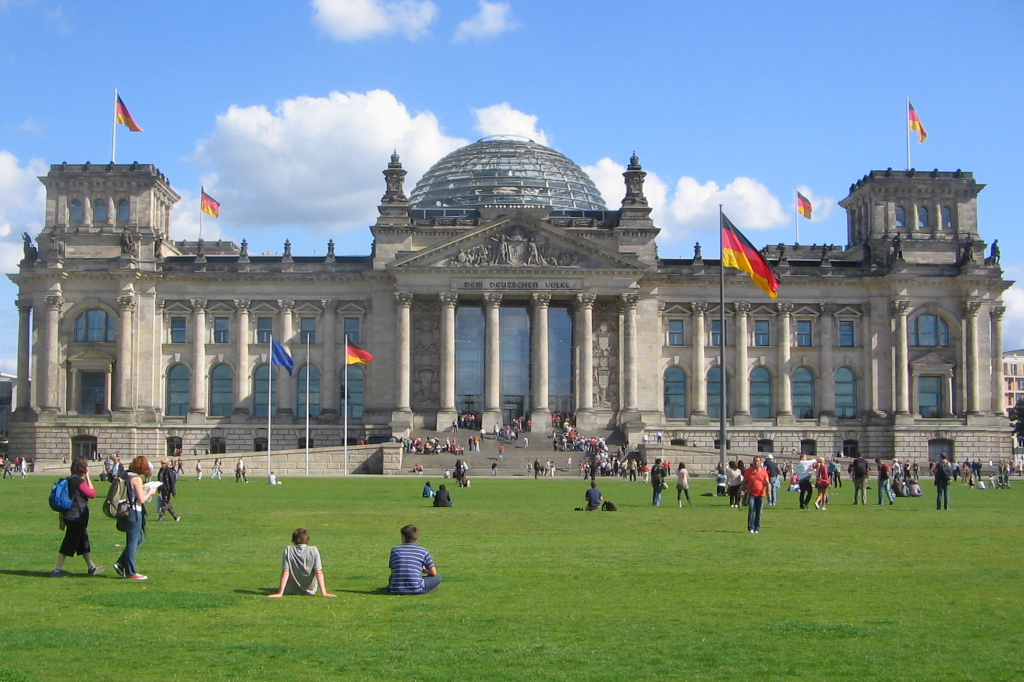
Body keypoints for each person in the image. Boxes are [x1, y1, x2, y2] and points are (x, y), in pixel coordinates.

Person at [52, 457, 105, 576]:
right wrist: (88, 478)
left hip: (69, 515)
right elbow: (92, 494)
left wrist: (62, 519)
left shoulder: (69, 479)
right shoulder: (78, 481)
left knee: (83, 542)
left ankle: (91, 567)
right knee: (69, 542)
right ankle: (57, 569)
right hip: (76, 516)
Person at [113, 456, 156, 580]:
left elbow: (132, 491)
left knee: (140, 537)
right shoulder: (136, 478)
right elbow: (141, 499)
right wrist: (150, 492)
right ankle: (131, 572)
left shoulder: (126, 475)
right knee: (132, 542)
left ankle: (121, 563)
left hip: (126, 511)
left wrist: (143, 488)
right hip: (134, 512)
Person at [267, 528, 336, 598]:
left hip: (291, 590)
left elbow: (285, 572)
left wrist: (280, 593)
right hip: (310, 591)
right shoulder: (314, 550)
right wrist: (324, 593)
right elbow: (318, 572)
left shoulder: (288, 550)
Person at [388, 525, 441, 594]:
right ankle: (427, 588)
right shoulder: (423, 551)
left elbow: (393, 572)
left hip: (395, 589)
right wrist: (424, 570)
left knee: (392, 577)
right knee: (437, 577)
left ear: (403, 537)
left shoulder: (395, 550)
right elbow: (433, 573)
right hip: (416, 589)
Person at [743, 456, 770, 534]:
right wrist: (742, 490)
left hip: (761, 494)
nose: (756, 462)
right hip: (751, 493)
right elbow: (744, 482)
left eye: (758, 461)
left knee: (759, 512)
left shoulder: (764, 471)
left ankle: (757, 528)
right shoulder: (748, 471)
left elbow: (767, 482)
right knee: (751, 510)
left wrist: (769, 492)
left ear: (760, 462)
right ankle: (751, 527)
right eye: (755, 461)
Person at [156, 458, 181, 522]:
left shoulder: (169, 471)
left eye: (163, 463)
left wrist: (173, 492)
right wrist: (158, 488)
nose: (162, 465)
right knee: (167, 503)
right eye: (161, 463)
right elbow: (159, 480)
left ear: (167, 464)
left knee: (165, 503)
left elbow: (172, 482)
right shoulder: (161, 470)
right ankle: (176, 516)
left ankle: (161, 517)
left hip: (167, 489)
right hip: (162, 489)